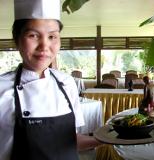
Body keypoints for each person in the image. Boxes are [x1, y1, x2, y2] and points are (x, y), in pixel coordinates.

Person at [0, 0, 101, 160]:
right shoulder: (1, 88)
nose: (44, 46)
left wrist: (106, 140)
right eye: (33, 35)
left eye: (52, 36)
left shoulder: (67, 83)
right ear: (17, 39)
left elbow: (69, 140)